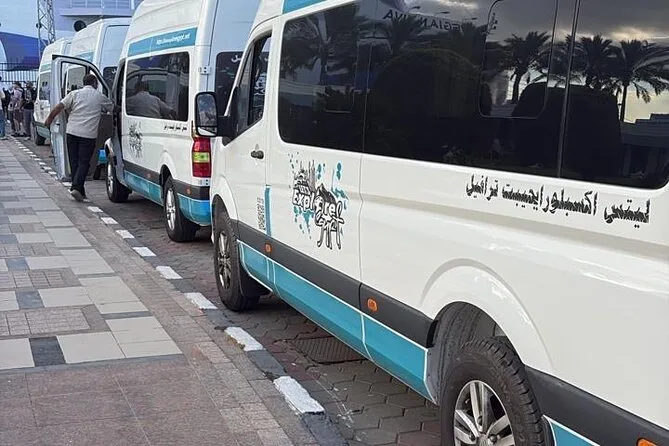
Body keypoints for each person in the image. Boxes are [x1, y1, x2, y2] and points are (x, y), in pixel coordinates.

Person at [44, 74, 114, 202]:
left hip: (72, 132)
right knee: (84, 162)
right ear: (95, 83)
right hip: (88, 135)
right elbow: (112, 108)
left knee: (74, 161)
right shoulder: (99, 96)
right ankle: (76, 187)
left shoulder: (74, 94)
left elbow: (59, 106)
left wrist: (49, 119)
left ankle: (79, 190)